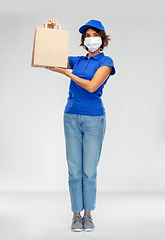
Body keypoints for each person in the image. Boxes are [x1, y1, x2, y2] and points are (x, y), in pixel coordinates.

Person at [45, 18, 116, 232]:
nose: (91, 39)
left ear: (102, 39)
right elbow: (48, 57)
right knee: (74, 170)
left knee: (89, 171)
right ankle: (76, 214)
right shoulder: (78, 60)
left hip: (94, 119)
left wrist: (67, 73)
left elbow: (93, 86)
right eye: (88, 35)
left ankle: (88, 214)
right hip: (71, 116)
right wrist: (51, 33)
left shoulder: (106, 62)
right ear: (83, 40)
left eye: (95, 35)